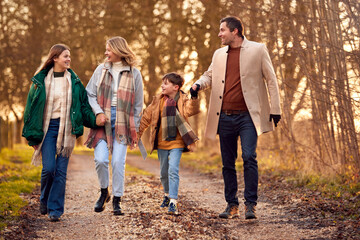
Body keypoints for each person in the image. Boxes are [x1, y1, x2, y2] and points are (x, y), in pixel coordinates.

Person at [191, 16, 281, 219]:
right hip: (224, 117)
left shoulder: (258, 50)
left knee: (249, 157)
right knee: (227, 163)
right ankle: (232, 205)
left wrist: (275, 109)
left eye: (222, 30)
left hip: (248, 117)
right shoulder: (218, 54)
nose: (219, 34)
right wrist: (197, 85)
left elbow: (271, 80)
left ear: (236, 31)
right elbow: (209, 75)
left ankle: (251, 205)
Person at [22, 44, 97, 222]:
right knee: (49, 169)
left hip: (66, 130)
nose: (68, 59)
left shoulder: (75, 82)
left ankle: (55, 210)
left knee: (61, 172)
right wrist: (32, 136)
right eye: (65, 56)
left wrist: (96, 120)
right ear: (55, 58)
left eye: (69, 56)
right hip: (47, 129)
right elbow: (30, 110)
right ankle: (44, 198)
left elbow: (84, 107)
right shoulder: (40, 81)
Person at [85, 36, 144, 215]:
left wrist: (135, 128)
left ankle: (117, 199)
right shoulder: (100, 70)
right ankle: (104, 192)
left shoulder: (134, 73)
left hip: (123, 122)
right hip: (102, 121)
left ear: (119, 50)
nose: (106, 53)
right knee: (101, 159)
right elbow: (90, 94)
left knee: (118, 161)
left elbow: (138, 105)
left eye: (109, 49)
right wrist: (98, 113)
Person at [138, 73, 199, 215]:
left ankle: (173, 201)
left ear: (176, 87)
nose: (162, 86)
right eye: (162, 83)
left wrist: (194, 96)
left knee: (173, 170)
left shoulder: (183, 100)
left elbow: (192, 109)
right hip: (161, 143)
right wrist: (138, 134)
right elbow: (146, 118)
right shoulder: (157, 102)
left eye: (166, 84)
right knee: (163, 173)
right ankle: (166, 194)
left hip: (177, 142)